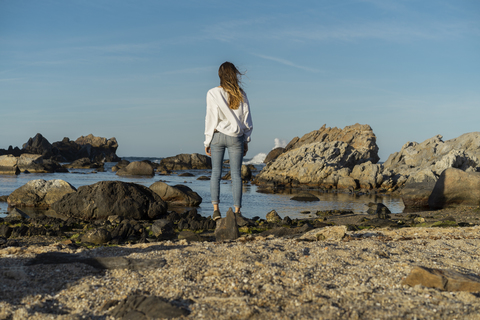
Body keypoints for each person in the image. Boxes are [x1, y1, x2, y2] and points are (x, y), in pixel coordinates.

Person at [204, 62, 253, 220]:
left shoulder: (212, 93)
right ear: (235, 75)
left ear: (219, 75)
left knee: (215, 173)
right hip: (236, 138)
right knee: (236, 175)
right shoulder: (241, 94)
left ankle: (216, 211)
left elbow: (210, 118)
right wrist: (246, 139)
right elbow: (247, 121)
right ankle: (237, 212)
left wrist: (207, 140)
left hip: (217, 137)